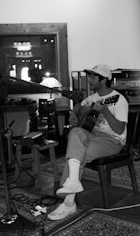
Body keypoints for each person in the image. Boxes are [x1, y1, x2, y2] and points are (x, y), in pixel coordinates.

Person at [47, 64, 129, 221]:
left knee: (78, 154)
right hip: (94, 135)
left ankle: (69, 202)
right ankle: (72, 183)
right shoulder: (93, 98)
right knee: (75, 131)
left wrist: (104, 111)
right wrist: (74, 112)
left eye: (93, 77)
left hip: (112, 140)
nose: (89, 80)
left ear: (104, 79)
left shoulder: (119, 100)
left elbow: (119, 130)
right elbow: (80, 106)